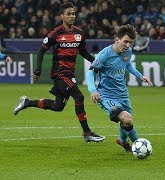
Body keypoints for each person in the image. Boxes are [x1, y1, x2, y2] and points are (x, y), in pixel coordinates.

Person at [13, 2, 105, 143]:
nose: (72, 16)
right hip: (60, 73)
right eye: (68, 14)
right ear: (61, 16)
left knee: (58, 106)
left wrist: (95, 62)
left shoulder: (79, 34)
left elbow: (83, 52)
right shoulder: (56, 33)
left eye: (73, 13)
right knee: (79, 97)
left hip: (70, 73)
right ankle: (87, 133)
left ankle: (27, 103)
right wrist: (38, 69)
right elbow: (42, 50)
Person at [86, 24, 153, 152]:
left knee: (126, 121)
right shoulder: (104, 55)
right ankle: (139, 146)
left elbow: (128, 66)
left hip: (122, 94)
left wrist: (141, 76)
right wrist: (93, 90)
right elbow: (90, 72)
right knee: (127, 118)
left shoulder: (127, 51)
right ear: (117, 39)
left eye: (130, 42)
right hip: (105, 95)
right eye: (125, 41)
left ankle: (122, 141)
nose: (128, 45)